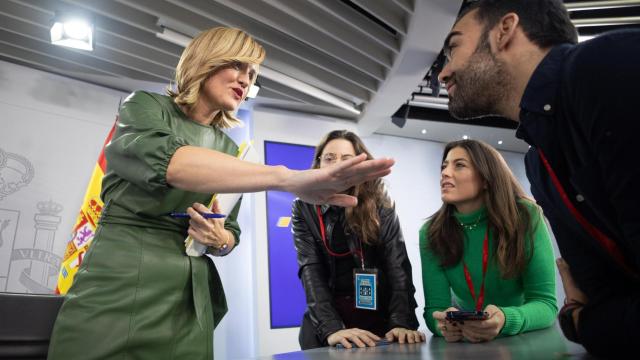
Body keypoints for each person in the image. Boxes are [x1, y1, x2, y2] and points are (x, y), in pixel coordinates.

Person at [47, 28, 394, 360]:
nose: (246, 79)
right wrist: (286, 178)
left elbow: (231, 235)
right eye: (238, 65)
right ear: (205, 60)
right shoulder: (144, 107)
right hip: (119, 282)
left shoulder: (231, 149)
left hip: (188, 297)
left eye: (253, 74)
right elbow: (172, 163)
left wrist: (218, 238)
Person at [437, 0, 640, 356]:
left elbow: (587, 314)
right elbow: (598, 295)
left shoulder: (608, 66)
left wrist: (585, 323)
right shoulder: (540, 165)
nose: (443, 72)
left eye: (454, 46)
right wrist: (590, 319)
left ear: (504, 30)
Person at [292, 130, 424, 349]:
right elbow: (310, 269)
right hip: (329, 320)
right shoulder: (303, 206)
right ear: (317, 165)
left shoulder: (380, 202)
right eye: (329, 158)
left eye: (347, 159)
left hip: (378, 320)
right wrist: (331, 328)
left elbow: (397, 265)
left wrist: (402, 322)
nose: (337, 165)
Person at [420, 139, 557, 343]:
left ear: (486, 179)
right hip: (466, 344)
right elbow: (435, 310)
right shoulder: (430, 232)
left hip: (523, 342)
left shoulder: (526, 215)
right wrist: (443, 325)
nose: (445, 173)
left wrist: (506, 319)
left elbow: (545, 304)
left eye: (459, 165)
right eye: (444, 166)